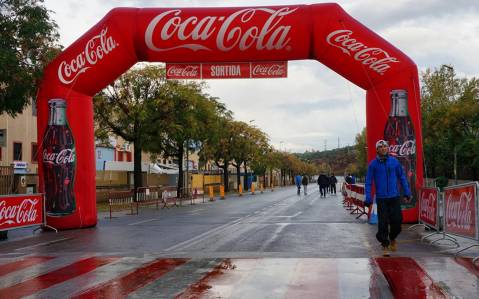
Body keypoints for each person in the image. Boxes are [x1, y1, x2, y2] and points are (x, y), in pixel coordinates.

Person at [365, 139, 411, 257]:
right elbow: (368, 182)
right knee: (383, 223)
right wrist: (368, 197)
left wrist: (407, 192)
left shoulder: (394, 162)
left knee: (397, 222)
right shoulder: (373, 164)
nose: (383, 148)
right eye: (380, 147)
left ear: (387, 148)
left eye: (385, 146)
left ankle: (392, 237)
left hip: (394, 197)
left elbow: (402, 178)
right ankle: (385, 245)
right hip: (381, 199)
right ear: (377, 150)